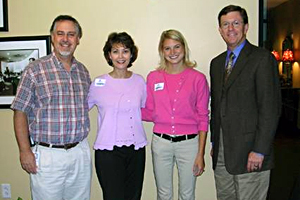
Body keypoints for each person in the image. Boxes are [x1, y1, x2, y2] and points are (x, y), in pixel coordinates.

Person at [11, 15, 92, 200]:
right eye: (60, 34)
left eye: (71, 34)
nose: (65, 39)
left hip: (80, 153)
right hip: (48, 156)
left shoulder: (83, 71)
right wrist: (25, 151)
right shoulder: (34, 70)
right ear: (52, 37)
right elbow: (20, 112)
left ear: (78, 39)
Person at [210, 5, 281, 200]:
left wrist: (259, 150)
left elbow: (270, 109)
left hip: (251, 152)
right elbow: (217, 107)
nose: (230, 29)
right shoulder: (216, 64)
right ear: (220, 30)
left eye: (236, 23)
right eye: (225, 24)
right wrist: (216, 144)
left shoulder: (262, 59)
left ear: (246, 27)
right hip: (223, 152)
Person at [142, 29, 209, 200]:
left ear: (184, 48)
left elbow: (203, 118)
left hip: (189, 144)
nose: (172, 52)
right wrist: (123, 107)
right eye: (167, 48)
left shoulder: (198, 78)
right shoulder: (153, 77)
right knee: (163, 194)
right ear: (162, 51)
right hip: (161, 143)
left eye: (176, 47)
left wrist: (200, 154)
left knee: (187, 195)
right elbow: (149, 111)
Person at [88, 32, 147, 200]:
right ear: (109, 55)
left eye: (125, 51)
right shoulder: (98, 83)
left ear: (131, 54)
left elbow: (146, 107)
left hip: (136, 151)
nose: (120, 56)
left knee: (134, 196)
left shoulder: (139, 81)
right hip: (108, 153)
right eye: (115, 51)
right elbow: (81, 109)